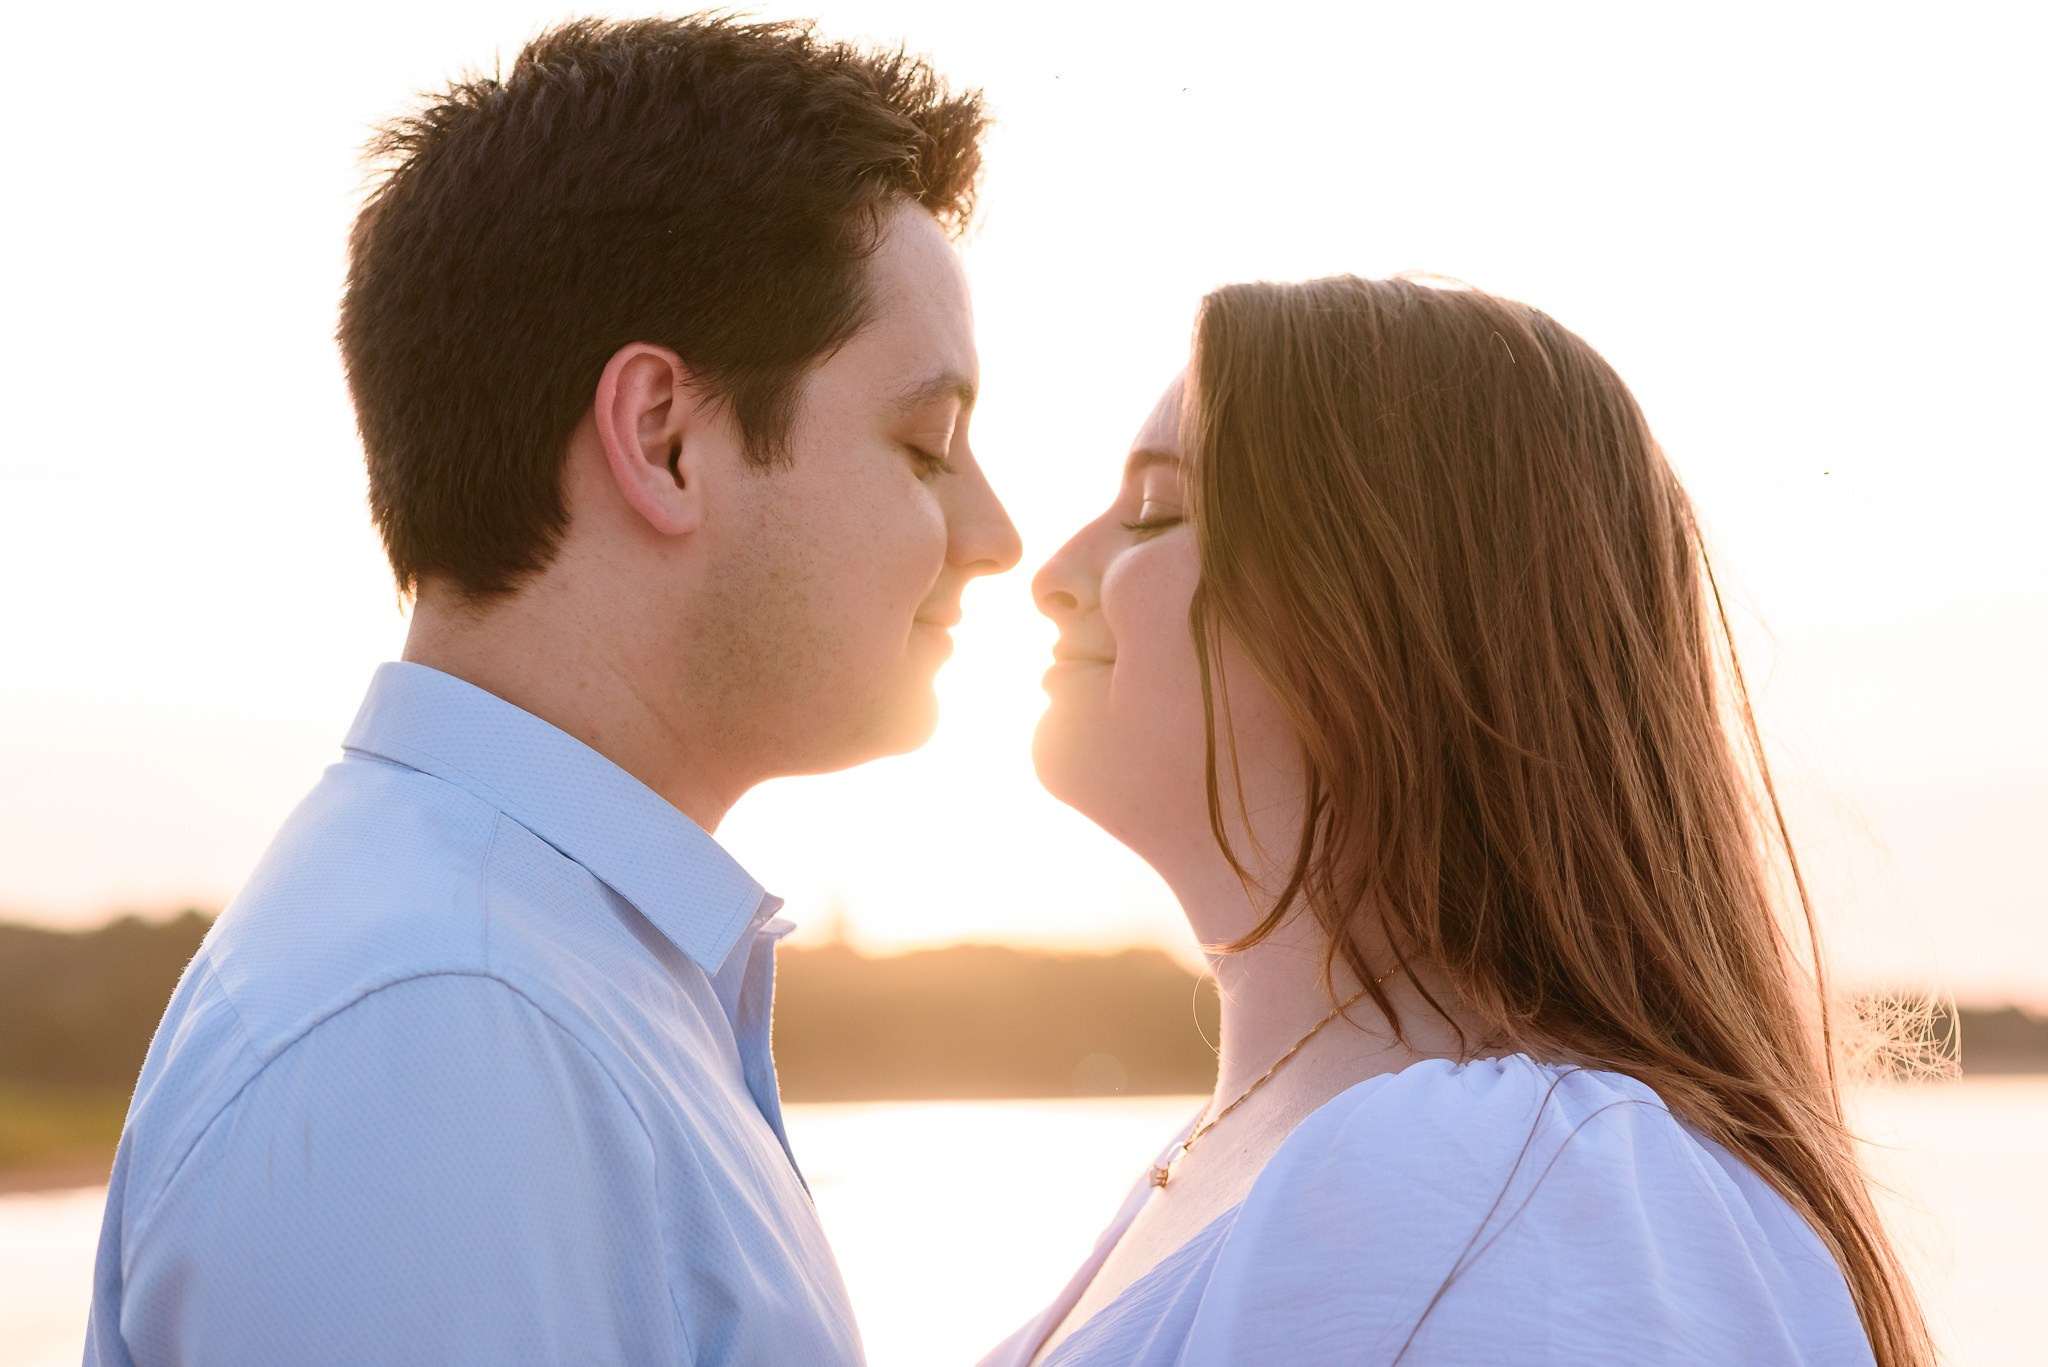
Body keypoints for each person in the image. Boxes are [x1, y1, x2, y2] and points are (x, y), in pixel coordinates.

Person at [85, 17, 1018, 1365]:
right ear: (663, 437)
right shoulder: (442, 1025)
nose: (994, 535)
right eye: (926, 444)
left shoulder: (536, 974)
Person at [986, 276, 1931, 1367]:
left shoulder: (1525, 1185)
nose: (1052, 575)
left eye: (1158, 510)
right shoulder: (1308, 1160)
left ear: (1379, 598)